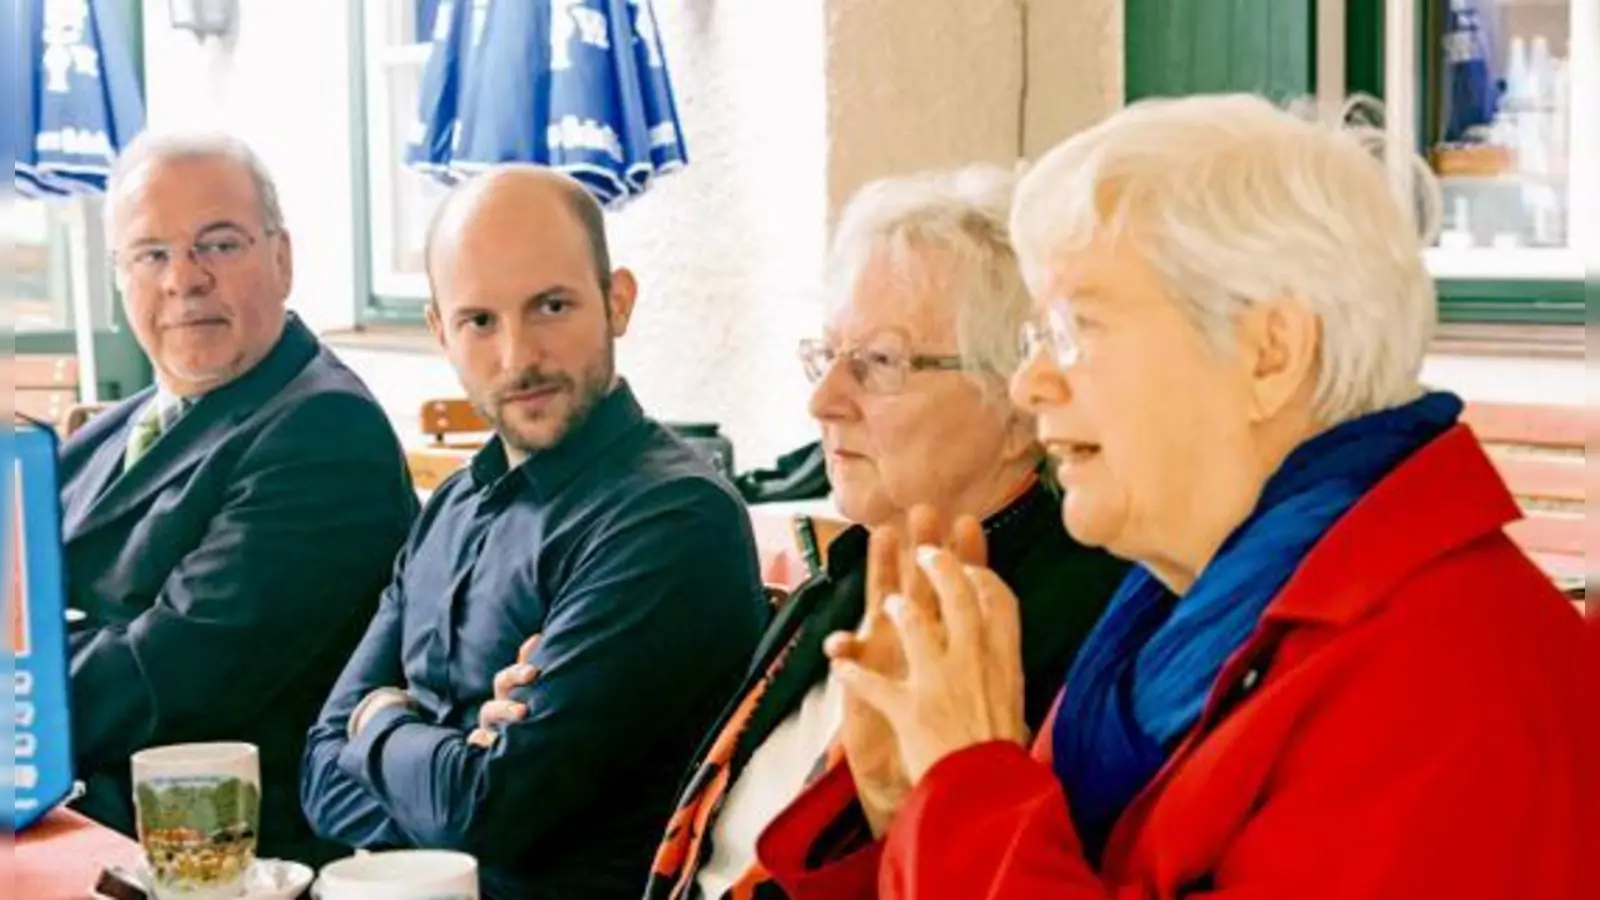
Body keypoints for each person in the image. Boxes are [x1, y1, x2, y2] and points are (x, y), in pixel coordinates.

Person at [759, 94, 1591, 899]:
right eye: (1034, 338)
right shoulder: (1170, 625)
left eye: (1076, 331)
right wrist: (903, 808)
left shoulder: (1444, 683)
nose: (1029, 381)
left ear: (1270, 353)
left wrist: (964, 787)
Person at [472, 166, 1127, 900]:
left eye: (879, 363)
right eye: (826, 356)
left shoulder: (1074, 641)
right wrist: (588, 700)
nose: (823, 400)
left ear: (1019, 404)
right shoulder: (847, 582)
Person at [299, 165, 770, 900]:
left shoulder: (674, 516)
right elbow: (321, 774)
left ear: (618, 302)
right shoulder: (450, 507)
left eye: (551, 306)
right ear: (440, 333)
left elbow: (488, 813)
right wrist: (445, 767)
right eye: (479, 321)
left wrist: (384, 719)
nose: (518, 357)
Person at [59, 132, 417, 862]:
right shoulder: (114, 431)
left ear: (281, 259)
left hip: (220, 858)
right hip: (79, 813)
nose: (183, 280)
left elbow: (162, 678)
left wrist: (32, 664)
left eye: (218, 245)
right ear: (119, 276)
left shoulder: (324, 432)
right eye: (151, 254)